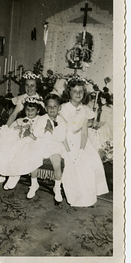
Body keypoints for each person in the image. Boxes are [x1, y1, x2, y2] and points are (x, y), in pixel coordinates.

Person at [59, 77, 109, 207]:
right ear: (68, 93)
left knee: (92, 160)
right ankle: (77, 197)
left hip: (80, 140)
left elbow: (84, 132)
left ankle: (88, 195)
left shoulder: (85, 109)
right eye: (74, 91)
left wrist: (81, 150)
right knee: (75, 165)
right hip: (64, 140)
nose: (78, 94)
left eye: (81, 91)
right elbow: (60, 133)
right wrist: (70, 153)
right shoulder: (62, 109)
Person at [0, 97, 43, 188]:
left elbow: (39, 132)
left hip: (31, 140)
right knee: (6, 143)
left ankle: (14, 176)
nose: (30, 112)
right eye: (28, 109)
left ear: (38, 111)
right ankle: (2, 171)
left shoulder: (40, 120)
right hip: (20, 138)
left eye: (33, 110)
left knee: (19, 148)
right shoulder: (22, 120)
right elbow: (12, 128)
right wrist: (16, 128)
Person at [26, 93, 67, 203]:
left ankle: (57, 187)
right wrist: (45, 129)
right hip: (41, 145)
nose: (52, 109)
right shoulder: (41, 119)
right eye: (49, 106)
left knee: (57, 162)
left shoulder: (62, 121)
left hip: (54, 147)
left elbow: (61, 137)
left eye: (55, 107)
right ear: (45, 107)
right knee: (34, 159)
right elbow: (36, 132)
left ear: (59, 108)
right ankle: (34, 184)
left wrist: (51, 130)